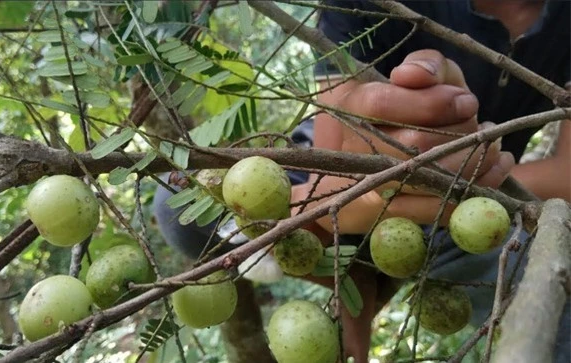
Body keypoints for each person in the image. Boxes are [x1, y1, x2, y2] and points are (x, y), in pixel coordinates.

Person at [153, 0, 570, 361]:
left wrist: (459, 180)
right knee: (178, 207)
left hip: (478, 199)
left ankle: (375, 267)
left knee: (561, 321)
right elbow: (331, 170)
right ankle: (356, 271)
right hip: (334, 174)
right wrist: (360, 204)